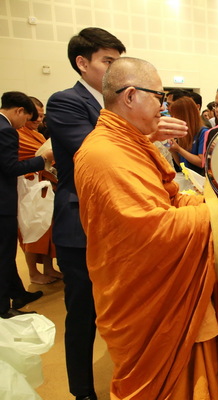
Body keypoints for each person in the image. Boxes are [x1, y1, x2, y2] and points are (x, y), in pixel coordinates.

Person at [73, 56, 218, 399]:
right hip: (144, 297)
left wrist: (213, 205)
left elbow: (167, 199)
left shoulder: (126, 143)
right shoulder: (105, 154)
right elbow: (152, 228)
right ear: (130, 96)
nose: (163, 107)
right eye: (159, 97)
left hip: (161, 288)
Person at [45, 27, 127, 400]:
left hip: (118, 222)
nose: (116, 70)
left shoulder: (117, 105)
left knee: (119, 309)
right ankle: (82, 392)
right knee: (82, 316)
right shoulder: (65, 102)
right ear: (82, 63)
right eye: (108, 62)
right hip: (80, 223)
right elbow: (96, 153)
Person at [0, 91, 52, 318]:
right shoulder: (6, 131)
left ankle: (18, 293)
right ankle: (3, 307)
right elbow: (11, 168)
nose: (25, 124)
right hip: (3, 203)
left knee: (6, 254)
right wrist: (43, 159)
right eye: (27, 118)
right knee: (4, 255)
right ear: (19, 110)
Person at [17, 96, 62, 285]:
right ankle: (33, 273)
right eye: (35, 115)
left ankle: (48, 268)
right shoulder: (17, 134)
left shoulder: (37, 135)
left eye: (42, 116)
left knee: (48, 231)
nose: (38, 119)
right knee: (33, 231)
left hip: (46, 187)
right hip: (29, 189)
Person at [168, 96, 206, 174]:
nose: (173, 118)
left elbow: (201, 162)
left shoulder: (204, 133)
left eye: (175, 115)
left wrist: (178, 149)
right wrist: (173, 150)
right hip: (187, 176)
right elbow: (181, 164)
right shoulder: (183, 133)